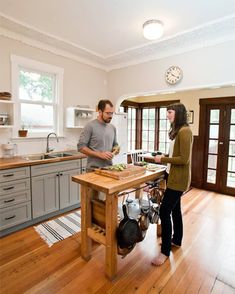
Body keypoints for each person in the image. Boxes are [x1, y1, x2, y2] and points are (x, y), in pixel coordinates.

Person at [151, 103, 193, 266]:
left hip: (178, 179)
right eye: (167, 112)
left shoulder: (185, 131)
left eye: (169, 112)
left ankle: (165, 252)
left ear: (178, 113)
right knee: (175, 209)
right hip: (172, 176)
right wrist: (166, 155)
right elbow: (177, 154)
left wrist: (163, 159)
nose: (167, 115)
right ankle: (176, 240)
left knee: (164, 210)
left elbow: (184, 159)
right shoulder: (178, 131)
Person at [77, 99, 119, 171]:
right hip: (93, 170)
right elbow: (81, 147)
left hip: (109, 169)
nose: (110, 116)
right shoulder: (90, 126)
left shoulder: (112, 128)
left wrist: (116, 149)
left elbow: (115, 144)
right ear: (100, 112)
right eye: (108, 113)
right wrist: (100, 154)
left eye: (112, 113)